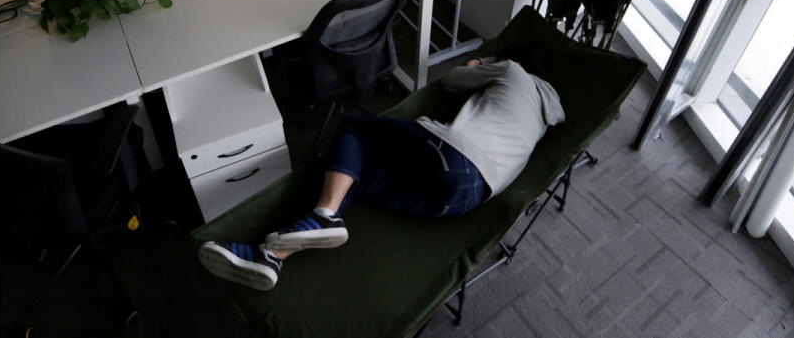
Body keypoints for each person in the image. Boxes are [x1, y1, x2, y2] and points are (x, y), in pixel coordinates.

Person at [197, 45, 566, 291]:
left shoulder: (514, 74)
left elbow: (452, 81)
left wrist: (476, 66)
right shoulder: (545, 118)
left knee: (354, 128)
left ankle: (324, 215)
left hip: (458, 157)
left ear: (515, 63)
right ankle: (272, 257)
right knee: (355, 178)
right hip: (466, 200)